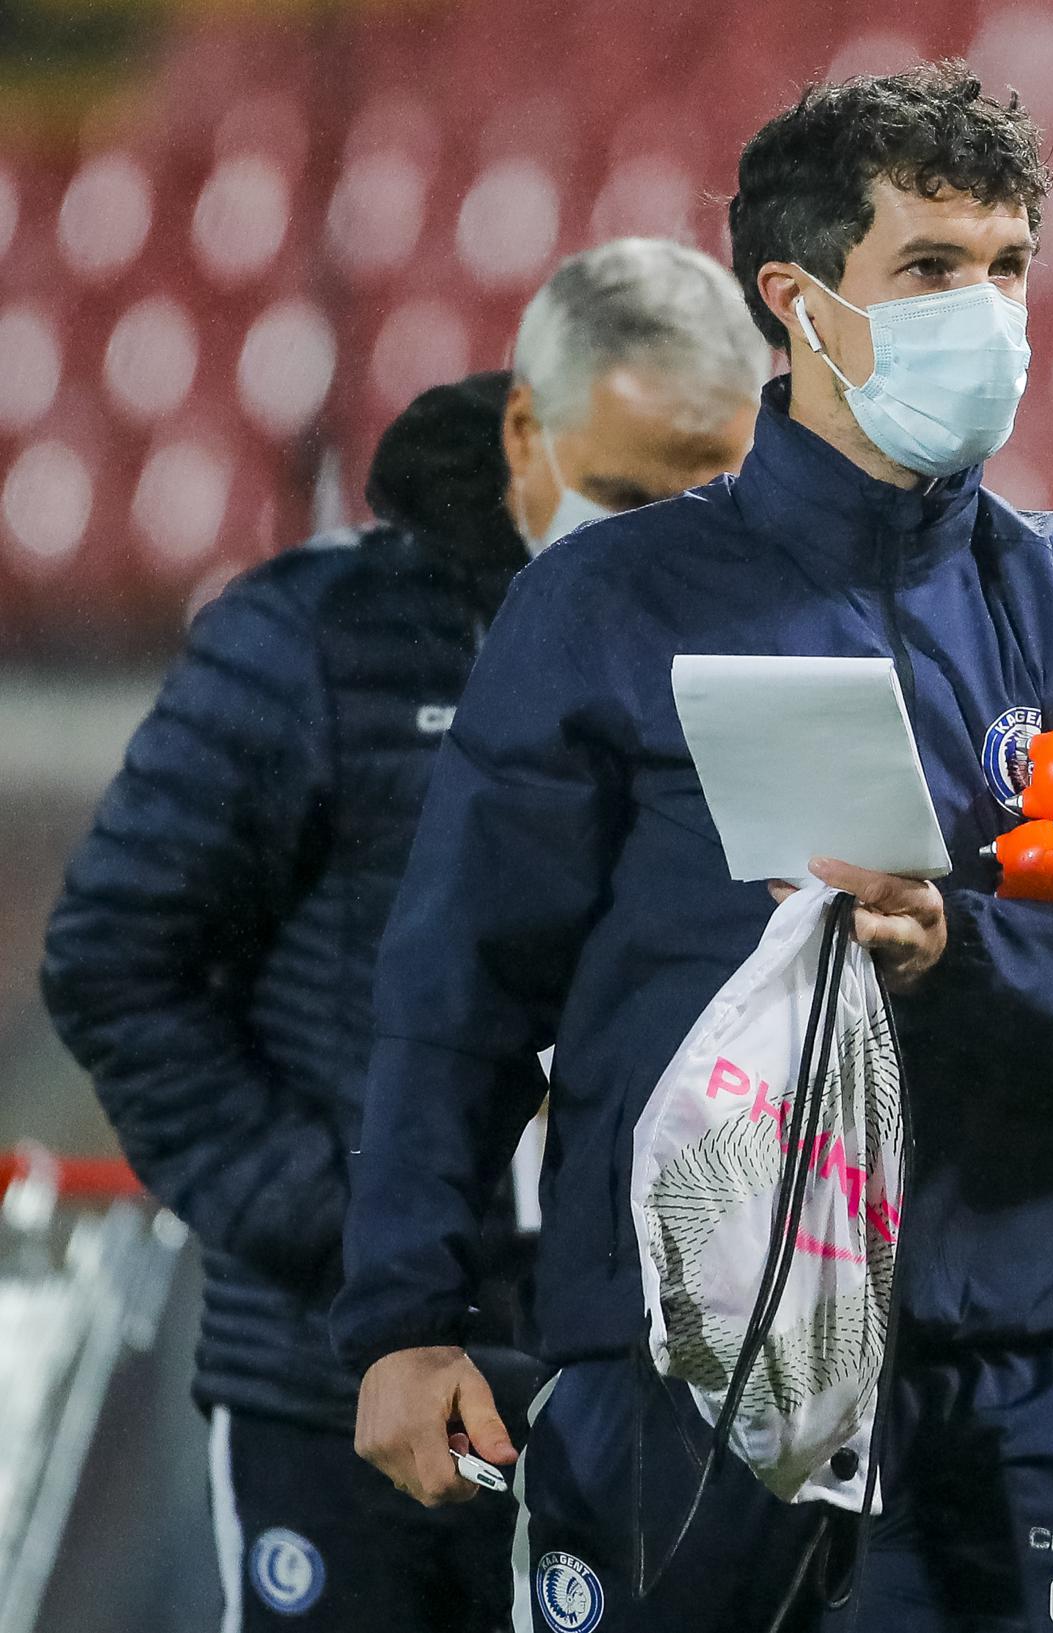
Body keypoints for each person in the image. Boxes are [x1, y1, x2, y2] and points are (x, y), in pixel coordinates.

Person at [332, 62, 1053, 1633]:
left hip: (1001, 1394)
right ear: (798, 300)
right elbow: (461, 986)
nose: (985, 312)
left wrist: (966, 950)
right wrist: (406, 1316)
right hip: (673, 1388)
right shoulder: (607, 604)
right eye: (929, 269)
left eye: (1008, 268)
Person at [42, 236, 770, 1632]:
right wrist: (347, 1227)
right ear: (524, 435)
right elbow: (116, 963)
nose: (666, 538)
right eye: (625, 491)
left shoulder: (764, 649)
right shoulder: (312, 643)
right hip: (342, 1385)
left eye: (709, 494)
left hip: (647, 1383)